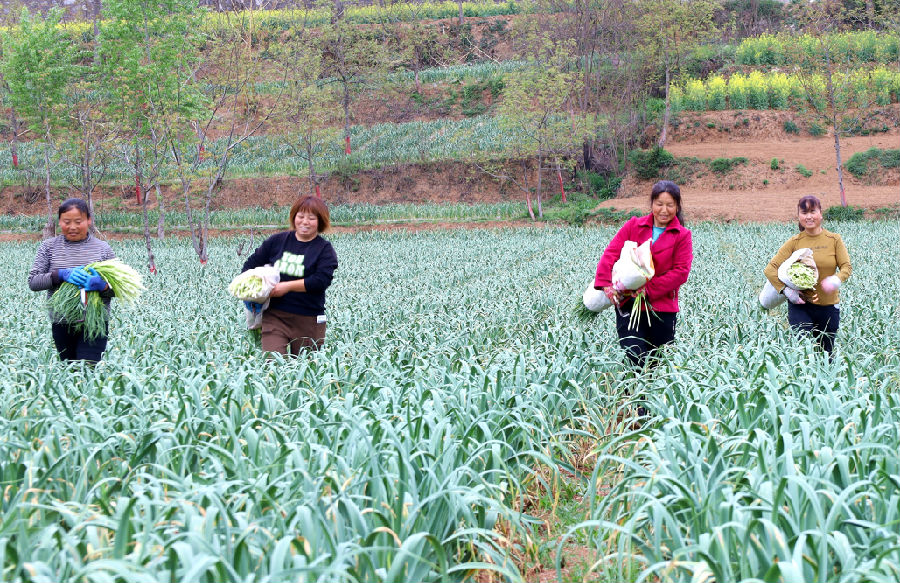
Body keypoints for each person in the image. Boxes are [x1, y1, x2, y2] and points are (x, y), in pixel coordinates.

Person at [594, 180, 693, 369]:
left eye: (670, 205)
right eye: (659, 204)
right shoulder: (634, 225)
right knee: (634, 357)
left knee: (656, 364)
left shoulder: (682, 235)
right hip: (629, 304)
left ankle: (650, 398)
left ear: (677, 206)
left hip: (662, 309)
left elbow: (681, 272)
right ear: (652, 204)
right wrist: (605, 283)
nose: (664, 210)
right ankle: (632, 396)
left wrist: (648, 290)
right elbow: (611, 253)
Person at [241, 196, 338, 355]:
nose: (305, 222)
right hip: (275, 316)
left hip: (308, 319)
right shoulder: (277, 241)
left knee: (305, 372)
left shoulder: (324, 249)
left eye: (311, 218)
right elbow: (251, 263)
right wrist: (250, 287)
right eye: (300, 216)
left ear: (320, 221)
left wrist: (287, 287)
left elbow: (321, 280)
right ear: (294, 217)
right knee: (273, 365)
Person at [28, 198, 116, 363]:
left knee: (87, 369)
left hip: (95, 323)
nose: (73, 227)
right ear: (59, 221)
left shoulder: (103, 249)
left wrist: (102, 286)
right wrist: (59, 275)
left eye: (78, 221)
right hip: (62, 321)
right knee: (69, 371)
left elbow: (118, 289)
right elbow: (33, 281)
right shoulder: (48, 247)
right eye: (67, 222)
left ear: (88, 220)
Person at [764, 195, 851, 358]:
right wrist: (786, 291)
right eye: (804, 212)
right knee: (801, 351)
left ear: (820, 214)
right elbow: (770, 269)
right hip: (800, 306)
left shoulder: (834, 240)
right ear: (799, 216)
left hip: (828, 306)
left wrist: (837, 279)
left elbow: (846, 266)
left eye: (813, 211)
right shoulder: (794, 242)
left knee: (826, 355)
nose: (809, 216)